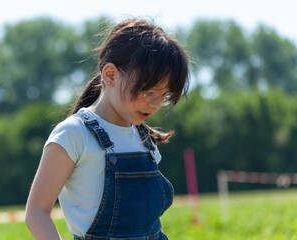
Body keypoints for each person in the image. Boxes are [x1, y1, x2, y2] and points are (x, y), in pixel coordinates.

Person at [25, 18, 190, 240]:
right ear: (110, 75)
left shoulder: (144, 138)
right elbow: (37, 212)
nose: (156, 104)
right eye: (148, 91)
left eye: (164, 95)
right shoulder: (74, 133)